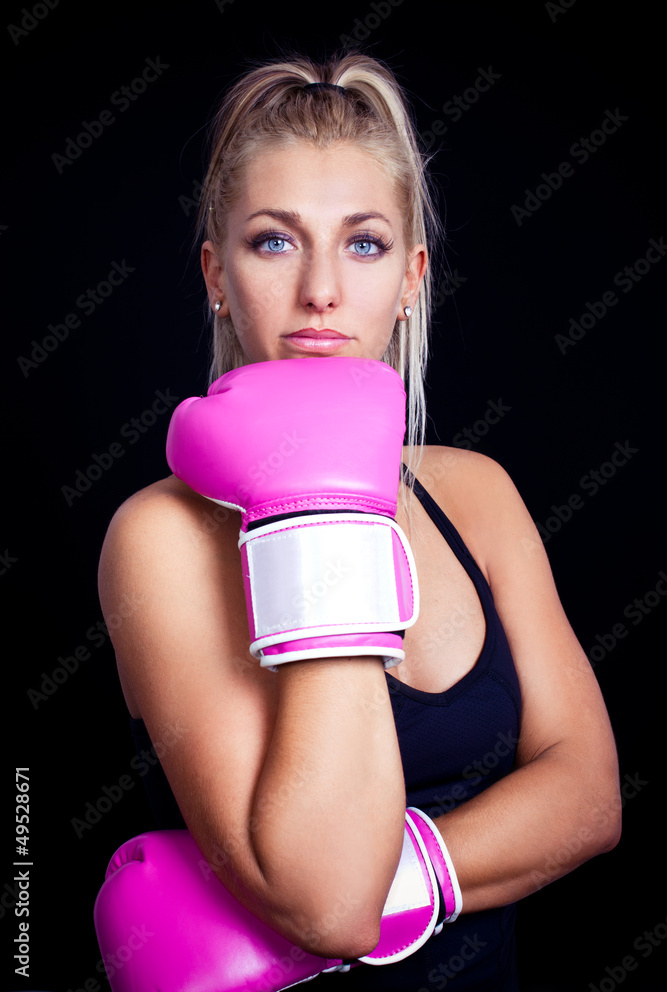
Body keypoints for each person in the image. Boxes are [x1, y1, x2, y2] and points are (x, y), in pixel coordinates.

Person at [96, 51, 621, 991]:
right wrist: (317, 504)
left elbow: (588, 799)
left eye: (365, 243)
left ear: (413, 276)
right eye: (273, 240)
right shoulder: (158, 540)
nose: (322, 291)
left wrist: (405, 878)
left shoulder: (477, 493)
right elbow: (332, 904)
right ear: (215, 272)